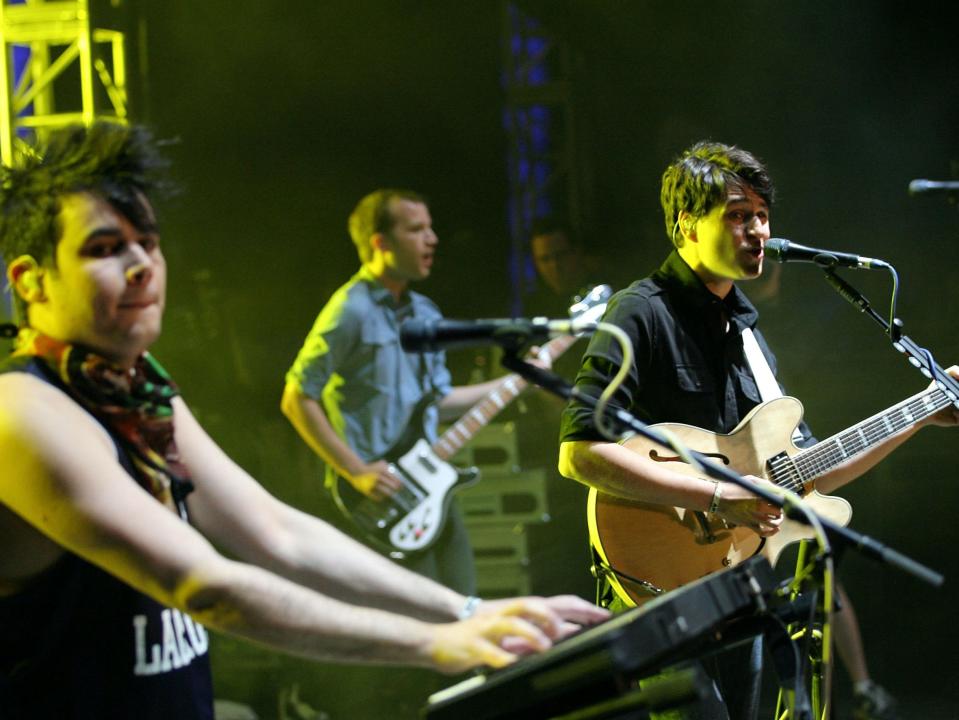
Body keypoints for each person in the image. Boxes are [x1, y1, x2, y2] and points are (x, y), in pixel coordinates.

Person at [0, 123, 608, 719]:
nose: (142, 266)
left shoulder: (135, 388)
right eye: (104, 249)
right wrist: (431, 643)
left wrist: (464, 609)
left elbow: (275, 531)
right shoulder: (25, 412)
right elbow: (205, 586)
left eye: (148, 242)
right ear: (30, 280)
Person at [557, 140, 959, 719]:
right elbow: (578, 453)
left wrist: (919, 414)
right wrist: (720, 496)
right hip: (657, 589)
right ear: (686, 224)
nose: (759, 231)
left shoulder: (749, 337)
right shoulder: (639, 313)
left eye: (763, 216)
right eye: (738, 215)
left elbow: (812, 470)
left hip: (737, 588)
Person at [282, 189, 523, 594]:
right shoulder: (350, 310)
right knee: (423, 626)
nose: (432, 239)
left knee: (466, 608)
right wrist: (355, 471)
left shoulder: (425, 313)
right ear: (380, 243)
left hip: (430, 488)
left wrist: (516, 381)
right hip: (380, 500)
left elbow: (439, 402)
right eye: (416, 230)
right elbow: (297, 396)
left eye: (430, 228)